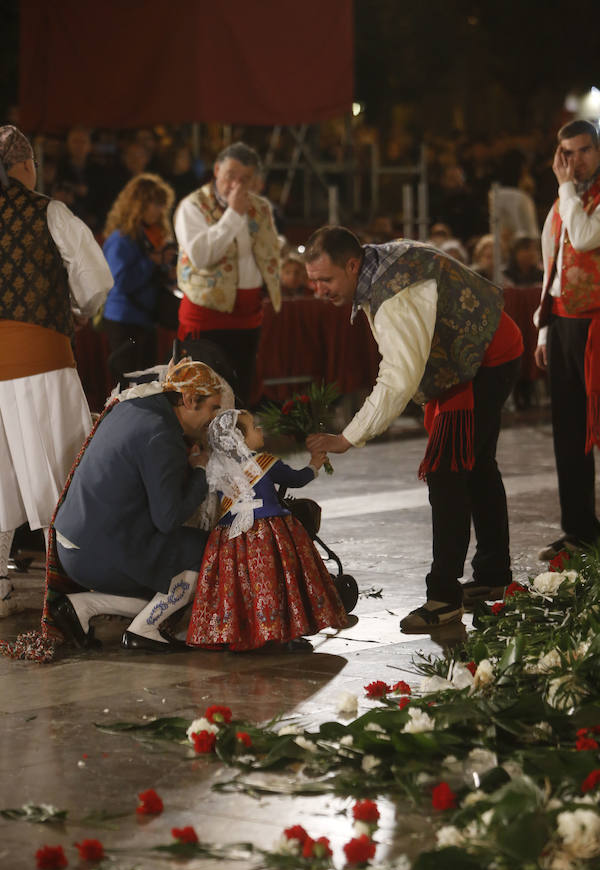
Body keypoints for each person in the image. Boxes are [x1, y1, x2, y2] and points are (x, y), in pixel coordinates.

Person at [304, 226, 523, 633]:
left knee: (447, 473)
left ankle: (443, 597)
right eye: (312, 281)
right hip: (477, 356)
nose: (319, 290)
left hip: (481, 363)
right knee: (475, 466)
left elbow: (398, 378)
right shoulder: (377, 267)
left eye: (326, 280)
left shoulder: (395, 292)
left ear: (352, 266)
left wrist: (348, 436)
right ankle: (493, 573)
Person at [0, 125, 113, 617]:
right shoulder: (49, 211)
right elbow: (94, 283)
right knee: (61, 471)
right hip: (40, 358)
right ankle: (60, 582)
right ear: (24, 167)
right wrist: (76, 306)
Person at [48, 360, 223, 653]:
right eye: (213, 408)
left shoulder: (136, 404)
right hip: (95, 554)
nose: (214, 418)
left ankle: (80, 606)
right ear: (190, 400)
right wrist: (201, 472)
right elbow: (168, 520)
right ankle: (145, 628)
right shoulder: (162, 435)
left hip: (75, 543)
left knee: (165, 579)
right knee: (209, 550)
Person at [186, 408, 348, 651]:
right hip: (268, 535)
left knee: (240, 586)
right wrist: (314, 464)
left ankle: (240, 632)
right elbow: (297, 479)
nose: (260, 430)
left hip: (231, 539)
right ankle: (286, 634)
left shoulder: (218, 472)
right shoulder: (264, 462)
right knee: (278, 583)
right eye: (254, 427)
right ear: (238, 439)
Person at [534, 119, 600, 561]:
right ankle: (578, 529)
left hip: (597, 325)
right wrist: (543, 326)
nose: (573, 161)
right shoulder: (564, 199)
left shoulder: (572, 199)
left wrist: (566, 190)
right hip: (562, 324)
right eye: (566, 153)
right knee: (569, 432)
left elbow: (585, 237)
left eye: (581, 151)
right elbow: (551, 264)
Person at [174, 142, 281, 405]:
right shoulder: (193, 206)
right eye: (230, 176)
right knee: (204, 396)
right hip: (207, 314)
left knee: (241, 391)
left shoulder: (261, 207)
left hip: (248, 315)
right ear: (217, 170)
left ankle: (238, 443)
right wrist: (233, 214)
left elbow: (268, 251)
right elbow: (201, 256)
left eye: (245, 179)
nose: (236, 184)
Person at [101, 173, 176, 384]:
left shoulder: (150, 234)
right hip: (124, 321)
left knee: (146, 382)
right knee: (129, 384)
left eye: (163, 204)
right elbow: (121, 283)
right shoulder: (120, 238)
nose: (160, 210)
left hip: (144, 320)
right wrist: (152, 260)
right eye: (156, 203)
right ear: (139, 204)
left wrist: (166, 269)